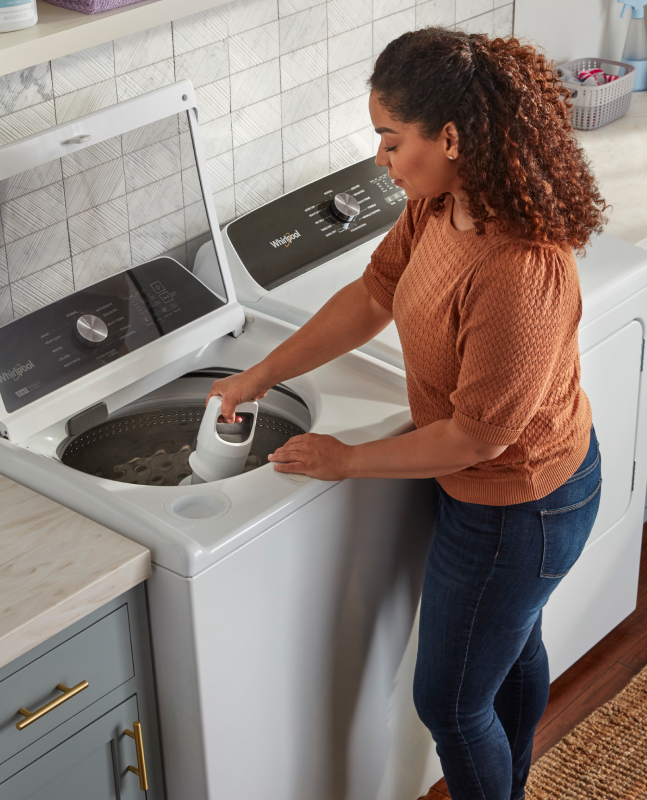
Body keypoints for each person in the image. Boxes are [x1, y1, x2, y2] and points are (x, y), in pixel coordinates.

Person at [207, 27, 609, 800]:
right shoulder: (442, 205)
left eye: (391, 142)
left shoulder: (519, 266)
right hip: (499, 493)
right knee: (512, 649)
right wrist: (260, 372)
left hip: (521, 506)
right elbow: (371, 295)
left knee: (450, 705)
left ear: (451, 136)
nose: (382, 161)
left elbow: (477, 437)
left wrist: (347, 460)